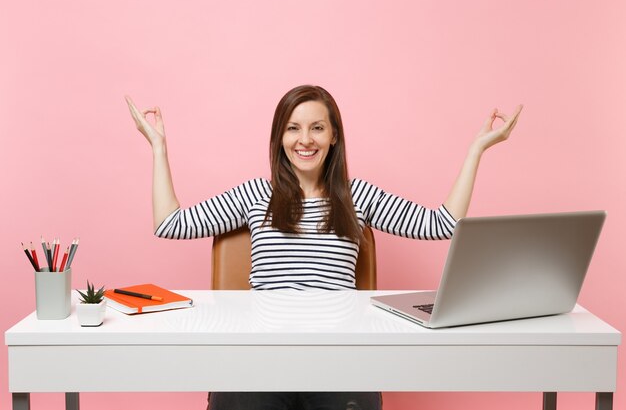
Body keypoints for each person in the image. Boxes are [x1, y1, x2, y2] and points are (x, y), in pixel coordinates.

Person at [125, 85, 522, 410]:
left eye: (317, 128)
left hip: (339, 359)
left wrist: (477, 150)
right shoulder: (255, 195)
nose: (305, 140)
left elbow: (441, 225)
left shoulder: (357, 196)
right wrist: (158, 147)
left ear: (334, 137)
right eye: (293, 129)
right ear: (280, 138)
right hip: (260, 358)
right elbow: (170, 224)